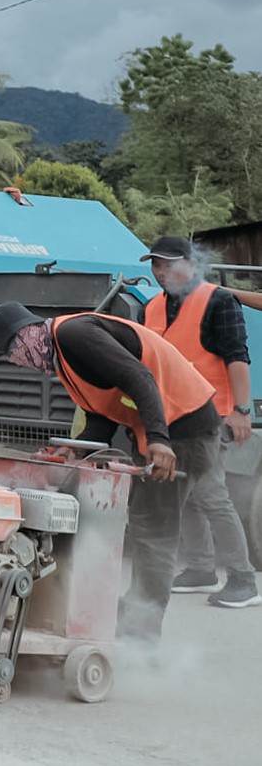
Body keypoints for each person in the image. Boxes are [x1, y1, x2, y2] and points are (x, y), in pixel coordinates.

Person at [0, 302, 221, 642]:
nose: (16, 360)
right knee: (143, 524)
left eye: (12, 350)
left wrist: (159, 440)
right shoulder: (65, 359)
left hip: (185, 429)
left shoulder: (72, 334)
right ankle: (134, 615)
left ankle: (142, 635)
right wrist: (74, 449)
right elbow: (101, 416)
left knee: (154, 530)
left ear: (27, 332)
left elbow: (139, 376)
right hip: (162, 429)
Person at [138, 236, 260, 608]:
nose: (162, 272)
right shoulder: (153, 307)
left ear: (191, 263)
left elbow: (237, 357)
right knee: (185, 493)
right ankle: (201, 568)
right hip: (173, 418)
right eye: (156, 265)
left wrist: (241, 410)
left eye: (169, 264)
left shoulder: (218, 301)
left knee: (210, 494)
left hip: (212, 416)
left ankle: (242, 579)